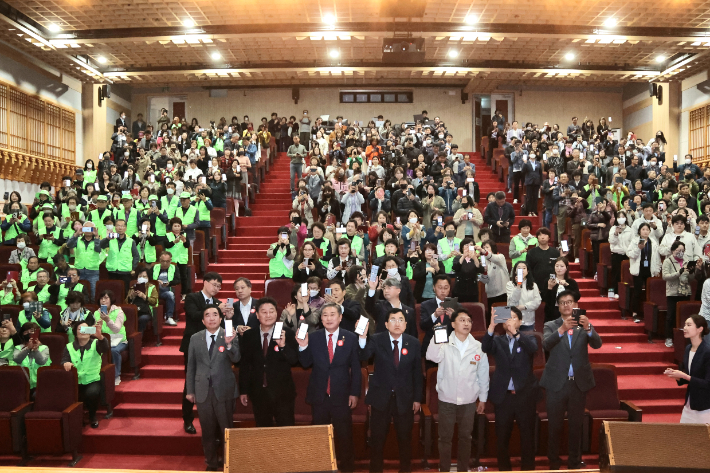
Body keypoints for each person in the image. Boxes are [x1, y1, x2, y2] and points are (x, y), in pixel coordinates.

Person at [296, 303, 361, 473]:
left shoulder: (350, 337)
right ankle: (322, 468)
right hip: (320, 394)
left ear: (340, 318)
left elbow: (355, 368)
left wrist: (354, 393)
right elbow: (305, 363)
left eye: (333, 314)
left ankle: (347, 469)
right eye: (325, 315)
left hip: (342, 394)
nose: (329, 318)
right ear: (320, 319)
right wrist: (302, 346)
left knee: (345, 436)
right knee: (320, 436)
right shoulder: (314, 336)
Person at [541, 290, 602, 470]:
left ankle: (574, 461)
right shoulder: (551, 325)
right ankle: (553, 461)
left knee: (576, 425)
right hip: (555, 384)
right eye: (563, 303)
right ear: (558, 306)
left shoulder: (584, 325)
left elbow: (597, 344)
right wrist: (561, 329)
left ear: (575, 304)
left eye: (570, 302)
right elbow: (546, 344)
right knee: (555, 426)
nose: (567, 305)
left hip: (578, 383)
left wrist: (589, 328)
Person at [358, 309, 423, 473]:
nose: (397, 323)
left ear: (406, 324)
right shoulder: (376, 339)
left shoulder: (413, 342)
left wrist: (417, 399)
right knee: (377, 440)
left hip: (405, 399)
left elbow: (417, 373)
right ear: (386, 324)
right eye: (393, 320)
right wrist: (362, 337)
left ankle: (405, 470)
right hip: (381, 398)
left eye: (401, 319)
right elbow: (364, 354)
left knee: (405, 439)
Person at [427, 308, 489, 473]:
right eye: (462, 320)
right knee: (445, 438)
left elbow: (483, 375)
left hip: (469, 400)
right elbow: (431, 357)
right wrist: (436, 336)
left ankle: (463, 469)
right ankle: (445, 469)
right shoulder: (444, 342)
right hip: (447, 399)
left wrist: (482, 399)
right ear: (453, 324)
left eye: (469, 321)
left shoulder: (478, 347)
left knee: (466, 437)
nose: (466, 323)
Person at [482, 306, 538, 472]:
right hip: (504, 397)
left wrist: (516, 333)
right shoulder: (498, 340)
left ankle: (528, 469)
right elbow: (485, 347)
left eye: (514, 318)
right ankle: (504, 469)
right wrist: (491, 326)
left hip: (524, 396)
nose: (510, 321)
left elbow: (533, 349)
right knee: (502, 438)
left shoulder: (530, 339)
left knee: (527, 437)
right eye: (507, 318)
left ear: (520, 322)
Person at [185, 305, 240, 472]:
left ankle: (229, 460)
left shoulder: (229, 334)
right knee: (207, 430)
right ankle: (211, 462)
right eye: (207, 315)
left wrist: (230, 345)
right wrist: (190, 390)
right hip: (203, 391)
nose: (211, 318)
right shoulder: (195, 338)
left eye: (215, 314)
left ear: (221, 318)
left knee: (226, 429)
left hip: (224, 389)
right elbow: (191, 365)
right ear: (203, 320)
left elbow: (237, 358)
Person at [180, 272, 232, 434]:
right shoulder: (192, 298)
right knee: (190, 380)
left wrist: (228, 316)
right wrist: (216, 309)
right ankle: (188, 419)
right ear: (205, 282)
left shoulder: (217, 302)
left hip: (214, 348)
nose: (216, 288)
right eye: (214, 284)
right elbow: (194, 315)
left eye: (219, 286)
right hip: (194, 347)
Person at [239, 297, 298, 427]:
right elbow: (245, 365)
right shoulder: (249, 335)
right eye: (264, 312)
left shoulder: (286, 333)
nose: (268, 315)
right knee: (263, 432)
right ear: (257, 315)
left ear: (276, 314)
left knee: (286, 431)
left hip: (283, 394)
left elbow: (294, 360)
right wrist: (243, 390)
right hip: (258, 393)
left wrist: (283, 346)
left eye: (271, 311)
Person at [664, 314, 710, 423]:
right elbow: (691, 377)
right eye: (685, 325)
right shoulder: (688, 348)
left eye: (689, 325)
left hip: (704, 407)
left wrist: (684, 375)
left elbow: (707, 384)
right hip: (689, 404)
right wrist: (676, 376)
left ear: (700, 329)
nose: (684, 328)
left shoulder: (707, 352)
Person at [63, 318, 107, 428]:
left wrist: (100, 336)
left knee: (91, 393)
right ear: (75, 333)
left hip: (92, 380)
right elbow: (64, 360)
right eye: (79, 329)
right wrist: (66, 363)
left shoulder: (96, 343)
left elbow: (105, 348)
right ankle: (77, 417)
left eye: (85, 328)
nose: (82, 331)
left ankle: (92, 416)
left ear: (89, 331)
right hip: (75, 380)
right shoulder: (69, 346)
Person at [627, 223, 662, 323]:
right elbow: (630, 254)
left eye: (647, 230)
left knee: (649, 293)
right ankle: (635, 313)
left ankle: (647, 314)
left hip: (650, 270)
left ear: (650, 232)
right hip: (639, 270)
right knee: (637, 292)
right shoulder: (635, 241)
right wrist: (638, 248)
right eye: (643, 229)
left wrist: (658, 269)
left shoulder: (654, 242)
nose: (645, 231)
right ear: (639, 231)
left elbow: (657, 258)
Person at [662, 241, 694, 348]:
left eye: (682, 251)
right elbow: (665, 276)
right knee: (671, 316)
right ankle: (669, 337)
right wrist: (679, 272)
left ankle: (683, 338)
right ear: (673, 250)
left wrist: (691, 272)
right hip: (673, 292)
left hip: (685, 291)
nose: (680, 252)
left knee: (684, 316)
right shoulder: (668, 261)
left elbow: (692, 279)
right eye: (678, 250)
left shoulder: (686, 261)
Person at [94, 290, 127, 386]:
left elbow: (116, 329)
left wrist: (108, 320)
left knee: (113, 350)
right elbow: (92, 330)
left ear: (111, 299)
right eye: (101, 298)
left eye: (106, 298)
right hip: (104, 339)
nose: (103, 301)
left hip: (119, 340)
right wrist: (96, 327)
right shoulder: (96, 313)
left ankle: (116, 375)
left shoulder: (119, 311)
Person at [419, 274, 454, 361]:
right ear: (434, 288)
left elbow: (462, 328)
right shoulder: (425, 305)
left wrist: (454, 318)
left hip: (451, 346)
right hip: (431, 345)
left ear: (449, 288)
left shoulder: (456, 305)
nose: (443, 291)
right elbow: (423, 326)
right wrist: (434, 316)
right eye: (440, 287)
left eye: (446, 288)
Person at [100, 218, 139, 294]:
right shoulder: (110, 239)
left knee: (124, 294)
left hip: (125, 272)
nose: (120, 228)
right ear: (115, 227)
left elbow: (136, 256)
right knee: (111, 294)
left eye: (122, 226)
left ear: (125, 228)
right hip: (112, 272)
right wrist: (107, 238)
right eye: (118, 226)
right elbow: (101, 245)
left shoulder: (131, 241)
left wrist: (133, 268)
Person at [13, 322, 51, 396]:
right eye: (25, 331)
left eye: (31, 331)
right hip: (22, 384)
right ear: (22, 334)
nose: (28, 333)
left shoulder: (44, 348)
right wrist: (27, 349)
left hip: (40, 385)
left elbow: (42, 361)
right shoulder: (18, 348)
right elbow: (17, 359)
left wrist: (36, 350)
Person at [66, 222, 101, 299]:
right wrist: (76, 234)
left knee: (93, 293)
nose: (88, 231)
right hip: (79, 270)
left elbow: (98, 249)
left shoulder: (97, 240)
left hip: (93, 271)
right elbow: (69, 245)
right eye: (86, 228)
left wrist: (97, 237)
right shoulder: (78, 239)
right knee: (77, 292)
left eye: (90, 228)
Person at [507, 261, 542, 331]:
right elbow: (512, 300)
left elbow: (537, 301)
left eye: (524, 268)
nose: (522, 270)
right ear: (515, 271)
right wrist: (518, 286)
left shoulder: (533, 285)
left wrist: (524, 307)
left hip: (528, 321)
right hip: (514, 321)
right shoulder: (510, 284)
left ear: (528, 271)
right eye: (519, 268)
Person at [545, 257, 580, 321]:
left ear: (566, 268)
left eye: (562, 266)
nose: (559, 269)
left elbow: (577, 296)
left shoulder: (571, 282)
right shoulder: (549, 281)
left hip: (569, 311)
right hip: (553, 313)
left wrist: (567, 285)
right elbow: (546, 300)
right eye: (557, 266)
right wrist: (550, 288)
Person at [608, 210, 633, 296]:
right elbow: (611, 241)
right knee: (616, 274)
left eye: (623, 217)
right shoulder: (613, 228)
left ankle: (624, 293)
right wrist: (615, 233)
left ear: (625, 218)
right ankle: (615, 291)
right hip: (616, 254)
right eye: (619, 217)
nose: (621, 219)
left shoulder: (630, 230)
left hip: (626, 255)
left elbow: (632, 243)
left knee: (626, 274)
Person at [153, 252, 180, 327]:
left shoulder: (174, 267)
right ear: (160, 260)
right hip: (154, 291)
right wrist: (156, 282)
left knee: (170, 294)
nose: (165, 263)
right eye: (163, 261)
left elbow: (178, 280)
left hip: (166, 290)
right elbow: (148, 278)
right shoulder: (155, 267)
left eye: (167, 261)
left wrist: (169, 283)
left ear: (170, 260)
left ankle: (169, 317)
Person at [587, 197, 612, 268]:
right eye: (601, 203)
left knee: (604, 255)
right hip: (595, 237)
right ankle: (596, 272)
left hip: (604, 236)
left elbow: (608, 218)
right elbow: (588, 225)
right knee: (596, 255)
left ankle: (602, 272)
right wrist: (597, 225)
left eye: (604, 203)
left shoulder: (607, 213)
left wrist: (603, 211)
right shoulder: (593, 213)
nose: (602, 205)